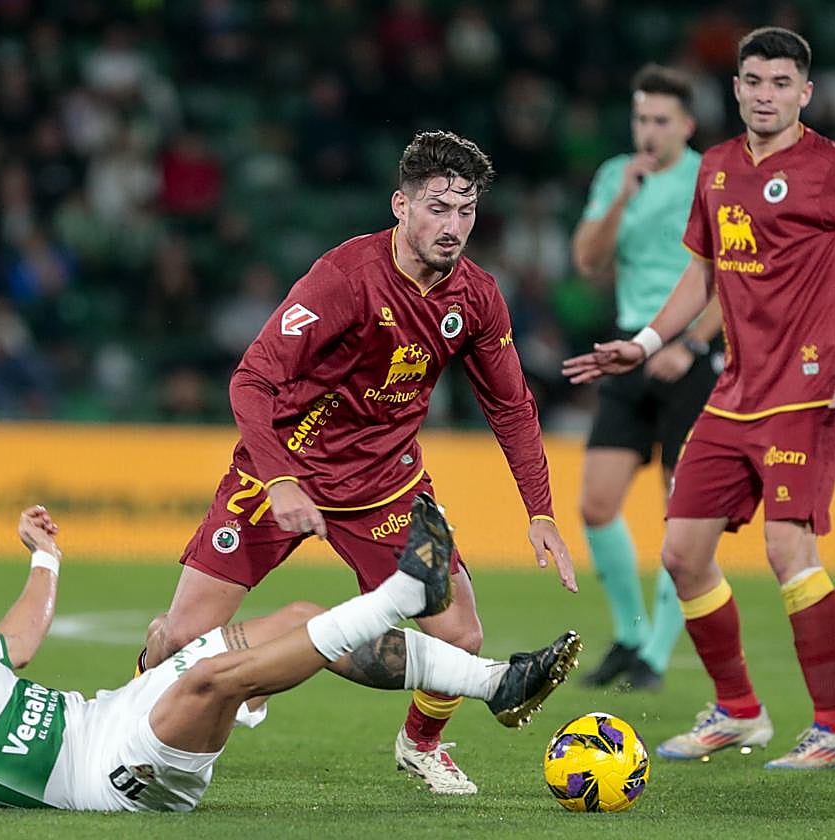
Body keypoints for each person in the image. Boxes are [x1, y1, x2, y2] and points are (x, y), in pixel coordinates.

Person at [141, 130, 577, 795]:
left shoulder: (476, 297)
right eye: (437, 208)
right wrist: (280, 478)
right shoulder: (345, 278)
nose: (453, 226)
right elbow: (252, 380)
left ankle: (421, 744)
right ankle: (130, 717)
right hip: (279, 472)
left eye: (466, 211)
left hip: (384, 485)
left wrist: (540, 511)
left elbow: (512, 406)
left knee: (460, 634)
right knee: (183, 639)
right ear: (401, 205)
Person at [563, 27, 835, 770]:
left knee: (787, 549)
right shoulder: (715, 167)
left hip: (808, 388)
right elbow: (700, 277)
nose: (765, 94)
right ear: (737, 87)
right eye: (753, 81)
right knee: (682, 553)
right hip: (733, 391)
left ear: (805, 92)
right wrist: (645, 344)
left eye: (781, 83)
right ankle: (738, 712)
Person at [0, 500, 581, 811]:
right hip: (105, 777)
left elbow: (19, 638)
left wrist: (44, 556)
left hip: (113, 714)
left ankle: (497, 681)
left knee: (296, 618)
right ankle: (402, 595)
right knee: (218, 678)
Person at [570, 64, 723, 693]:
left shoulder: (710, 178)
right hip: (630, 348)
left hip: (691, 355)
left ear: (686, 125)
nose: (648, 131)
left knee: (680, 515)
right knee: (596, 503)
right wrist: (623, 199)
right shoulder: (617, 175)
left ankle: (655, 656)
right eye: (641, 119)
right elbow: (587, 261)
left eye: (661, 120)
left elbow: (731, 275)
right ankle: (631, 633)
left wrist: (690, 343)